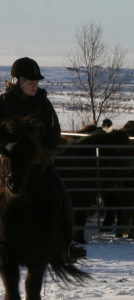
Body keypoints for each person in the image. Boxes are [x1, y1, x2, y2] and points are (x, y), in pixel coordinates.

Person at [0, 57, 86, 261]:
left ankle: (68, 243)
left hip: (38, 165)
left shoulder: (44, 103)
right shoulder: (3, 103)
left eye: (37, 83)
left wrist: (43, 157)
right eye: (31, 83)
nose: (35, 86)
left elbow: (54, 134)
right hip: (7, 164)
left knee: (64, 196)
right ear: (18, 81)